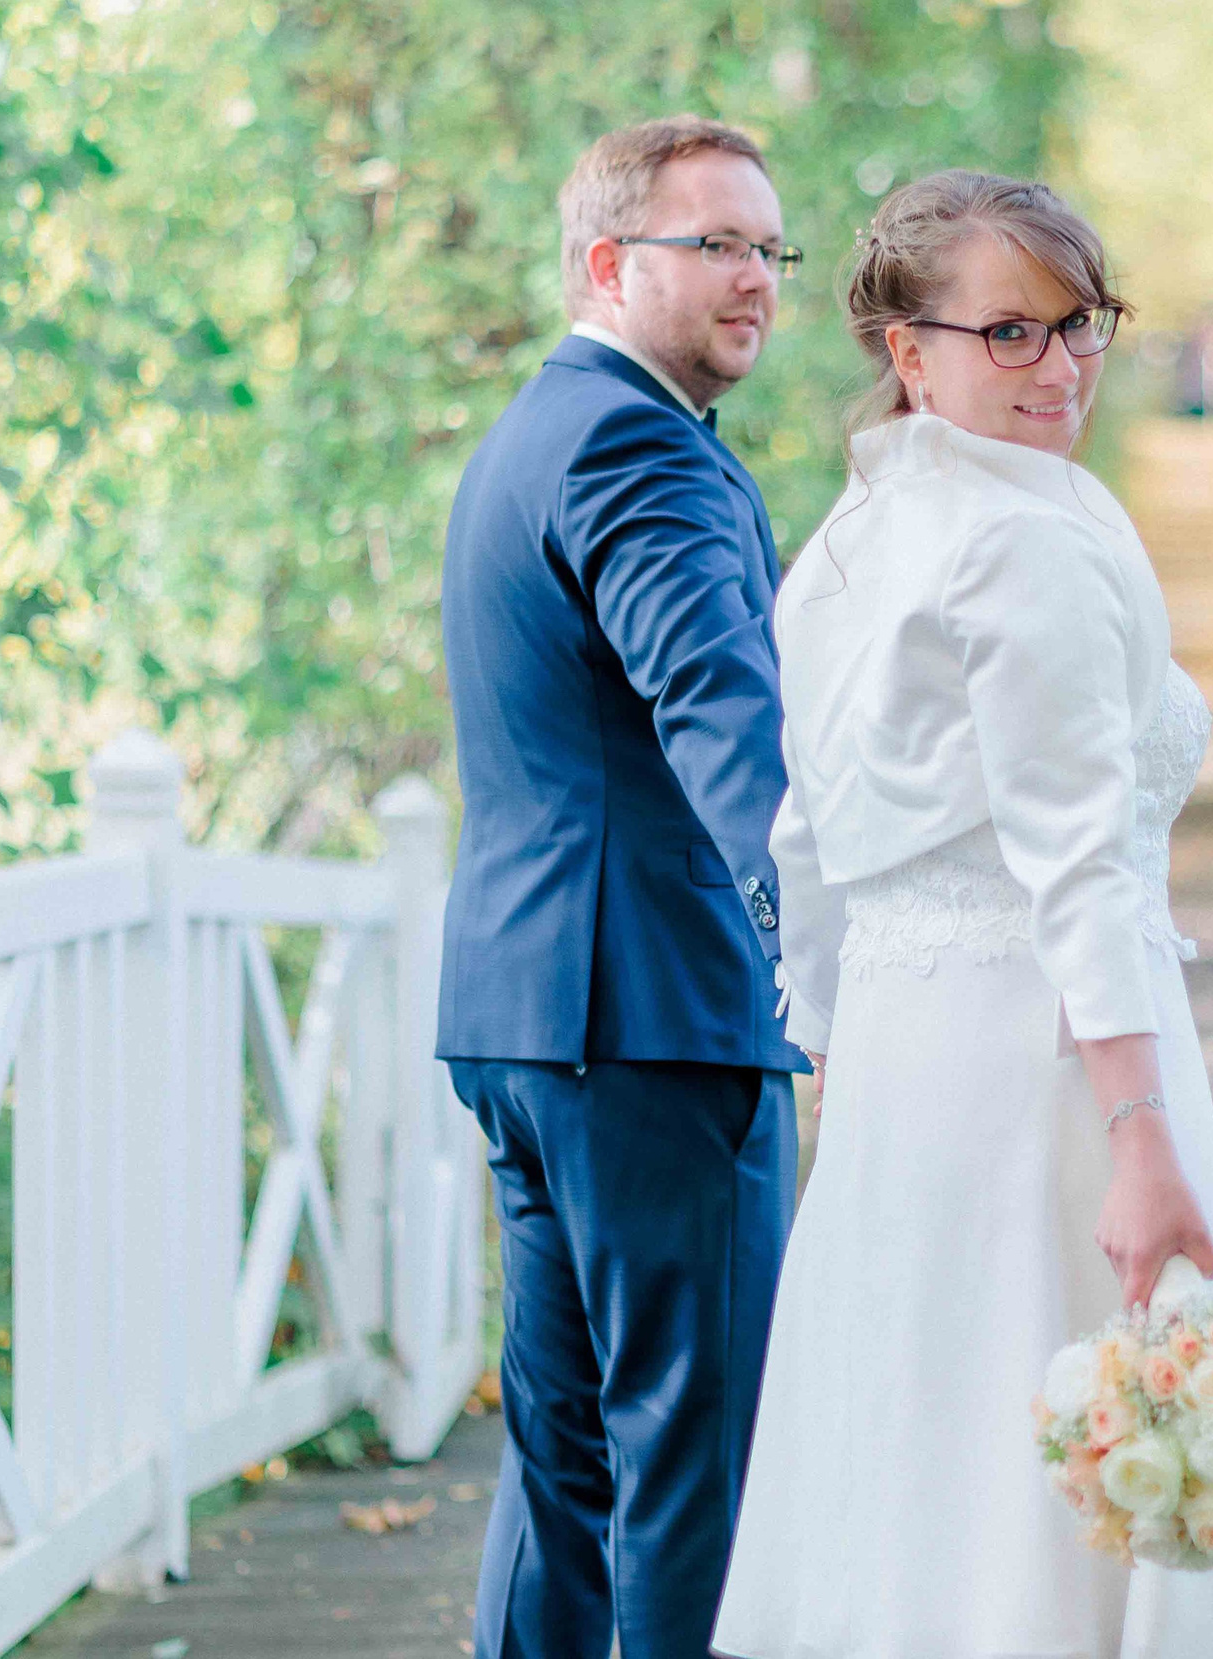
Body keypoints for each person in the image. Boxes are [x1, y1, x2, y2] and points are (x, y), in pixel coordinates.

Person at [713, 171, 1213, 1656]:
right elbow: (1079, 860)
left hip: (910, 1065)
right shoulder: (1023, 537)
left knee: (921, 1455)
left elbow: (809, 840)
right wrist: (1144, 1136)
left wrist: (836, 1056)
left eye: (1081, 325)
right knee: (1036, 1466)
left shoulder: (850, 537)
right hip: (1053, 1058)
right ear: (911, 352)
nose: (1061, 368)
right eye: (1010, 335)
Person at [434, 115, 810, 1659]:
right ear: (607, 263)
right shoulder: (635, 443)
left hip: (530, 1018)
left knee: (571, 1461)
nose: (758, 279)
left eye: (769, 248)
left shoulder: (540, 426)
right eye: (714, 244)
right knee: (691, 1468)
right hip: (655, 1019)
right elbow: (721, 709)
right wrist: (824, 948)